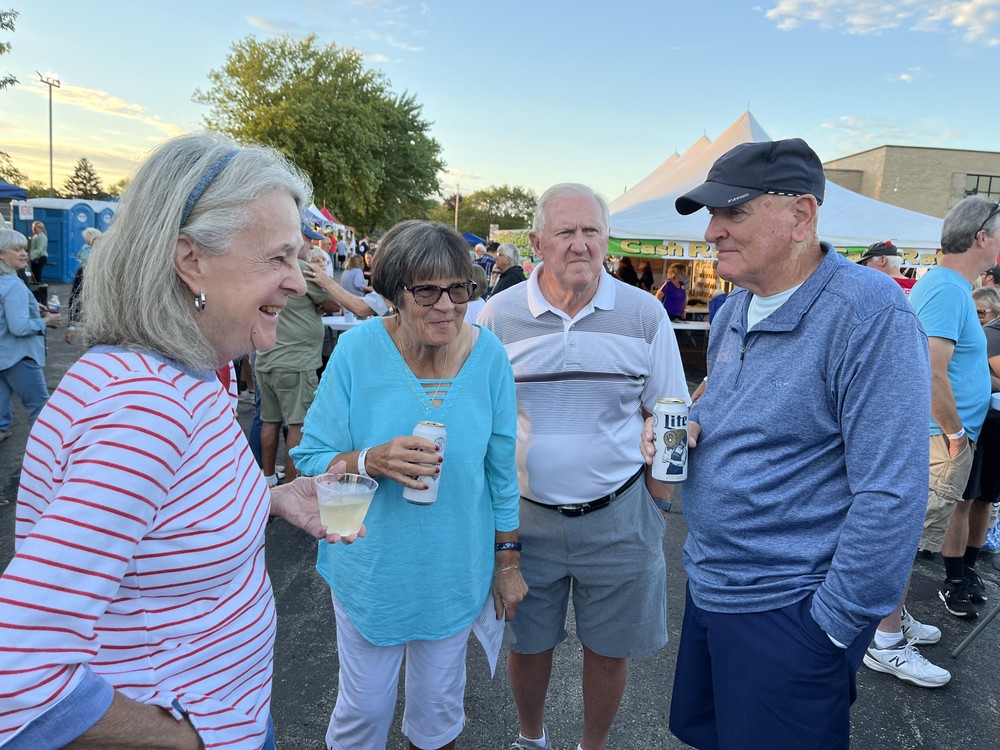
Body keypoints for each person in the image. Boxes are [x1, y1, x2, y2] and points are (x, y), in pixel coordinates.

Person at [0, 133, 361, 750]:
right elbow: (17, 670)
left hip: (232, 713)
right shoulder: (145, 408)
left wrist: (271, 499)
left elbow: (163, 520)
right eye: (278, 258)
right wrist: (194, 742)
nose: (298, 283)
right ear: (190, 259)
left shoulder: (194, 374)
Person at [651, 138, 930, 748]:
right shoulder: (733, 308)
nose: (711, 232)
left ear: (801, 215)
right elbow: (736, 408)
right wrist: (691, 424)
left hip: (789, 609)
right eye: (712, 214)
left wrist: (830, 626)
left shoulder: (868, 314)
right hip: (713, 586)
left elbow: (892, 492)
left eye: (733, 212)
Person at [291, 219, 525, 750]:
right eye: (427, 291)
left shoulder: (489, 356)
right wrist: (370, 459)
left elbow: (500, 471)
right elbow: (309, 457)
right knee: (363, 711)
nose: (446, 306)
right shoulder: (357, 352)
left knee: (438, 713)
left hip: (453, 569)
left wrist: (508, 563)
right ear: (394, 294)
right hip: (372, 570)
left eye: (459, 289)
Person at [479, 183, 688, 750]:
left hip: (620, 515)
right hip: (524, 519)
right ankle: (531, 738)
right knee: (527, 645)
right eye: (566, 232)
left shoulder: (644, 314)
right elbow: (483, 419)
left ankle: (591, 747)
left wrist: (659, 504)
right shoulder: (499, 315)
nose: (580, 244)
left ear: (606, 239)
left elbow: (671, 411)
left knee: (610, 650)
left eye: (591, 231)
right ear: (537, 242)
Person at [911, 196, 997, 619]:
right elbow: (930, 370)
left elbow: (957, 367)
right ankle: (884, 636)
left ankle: (892, 624)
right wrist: (956, 436)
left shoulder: (953, 287)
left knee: (910, 543)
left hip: (943, 436)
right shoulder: (946, 288)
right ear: (981, 237)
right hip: (939, 438)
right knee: (908, 545)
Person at [255, 221, 334, 487]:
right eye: (308, 240)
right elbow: (331, 302)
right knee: (298, 425)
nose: (310, 246)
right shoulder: (300, 267)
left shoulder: (265, 264)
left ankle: (268, 478)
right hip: (296, 360)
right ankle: (291, 485)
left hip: (267, 357)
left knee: (270, 421)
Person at [0, 226, 61, 443]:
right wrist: (46, 321)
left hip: (3, 355)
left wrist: (33, 306)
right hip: (20, 357)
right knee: (40, 407)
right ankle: (46, 449)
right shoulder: (14, 285)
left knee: (1, 404)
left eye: (24, 249)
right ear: (1, 254)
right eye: (16, 249)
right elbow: (19, 327)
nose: (24, 254)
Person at [65, 227, 102, 344]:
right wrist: (72, 325)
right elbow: (76, 296)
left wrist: (72, 325)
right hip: (93, 320)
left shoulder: (111, 266)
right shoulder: (84, 270)